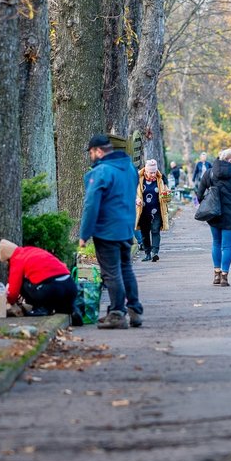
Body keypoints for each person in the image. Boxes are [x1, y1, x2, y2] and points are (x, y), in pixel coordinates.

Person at [79, 134, 143, 329]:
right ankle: (134, 310)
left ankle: (116, 313)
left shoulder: (101, 172)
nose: (91, 156)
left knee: (111, 273)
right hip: (126, 227)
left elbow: (91, 205)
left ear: (99, 151)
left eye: (91, 152)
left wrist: (84, 234)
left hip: (106, 229)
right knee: (126, 269)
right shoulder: (130, 168)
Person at [196, 148, 231, 287]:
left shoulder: (210, 173)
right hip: (230, 214)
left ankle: (216, 274)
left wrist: (206, 202)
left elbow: (199, 194)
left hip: (213, 213)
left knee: (216, 243)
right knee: (227, 245)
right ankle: (225, 277)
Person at [0, 239, 76, 317]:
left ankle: (41, 308)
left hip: (52, 289)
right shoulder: (31, 250)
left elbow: (14, 291)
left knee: (23, 284)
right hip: (70, 286)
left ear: (8, 258)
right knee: (63, 309)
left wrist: (8, 301)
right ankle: (71, 311)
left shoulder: (16, 259)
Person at [135, 159, 170, 262]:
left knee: (155, 230)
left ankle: (155, 252)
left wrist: (166, 195)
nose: (153, 174)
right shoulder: (139, 179)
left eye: (154, 172)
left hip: (157, 211)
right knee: (145, 233)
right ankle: (147, 253)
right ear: (146, 171)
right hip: (143, 211)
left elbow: (167, 196)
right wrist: (137, 199)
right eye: (151, 172)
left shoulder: (161, 179)